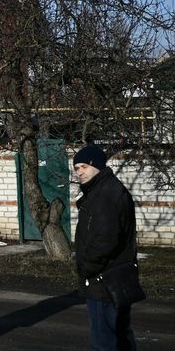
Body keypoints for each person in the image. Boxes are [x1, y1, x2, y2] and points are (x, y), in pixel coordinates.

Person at [73, 144, 139, 350]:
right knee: (120, 334)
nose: (79, 172)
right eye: (76, 168)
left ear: (97, 166)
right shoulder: (103, 190)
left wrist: (86, 267)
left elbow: (105, 240)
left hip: (104, 279)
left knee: (104, 340)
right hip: (115, 277)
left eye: (84, 166)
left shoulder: (105, 194)